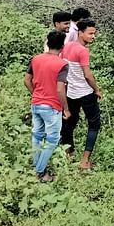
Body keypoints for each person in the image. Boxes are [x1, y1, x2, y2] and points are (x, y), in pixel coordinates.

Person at [25, 31, 70, 182]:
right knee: (53, 139)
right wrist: (66, 108)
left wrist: (36, 95)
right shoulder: (62, 64)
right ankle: (40, 171)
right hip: (52, 106)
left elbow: (27, 80)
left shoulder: (35, 59)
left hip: (36, 103)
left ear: (48, 43)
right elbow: (59, 89)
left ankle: (37, 165)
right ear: (62, 47)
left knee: (37, 135)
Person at [60, 19, 102, 170]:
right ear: (80, 32)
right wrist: (96, 89)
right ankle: (85, 161)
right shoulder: (83, 51)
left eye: (94, 33)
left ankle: (68, 152)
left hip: (70, 92)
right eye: (90, 33)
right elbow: (87, 75)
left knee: (69, 122)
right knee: (94, 124)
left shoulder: (66, 46)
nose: (93, 37)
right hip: (85, 93)